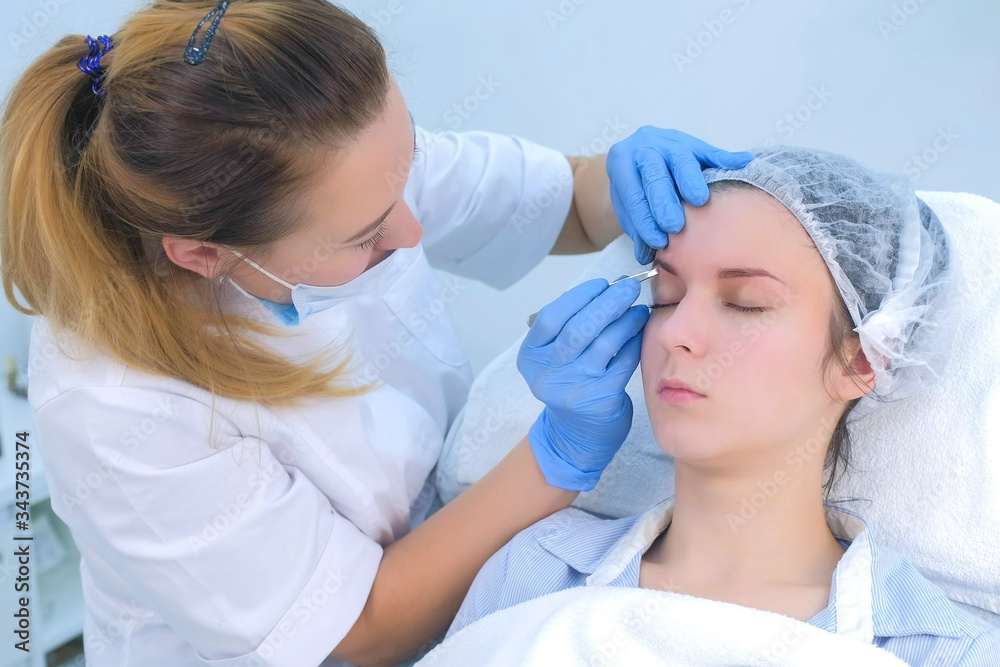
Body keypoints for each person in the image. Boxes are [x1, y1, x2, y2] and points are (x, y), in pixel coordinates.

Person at [0, 1, 752, 665]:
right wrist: (557, 458)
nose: (414, 227)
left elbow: (568, 206)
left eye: (407, 166)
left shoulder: (349, 163)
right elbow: (361, 629)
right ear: (202, 255)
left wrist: (620, 183)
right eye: (366, 236)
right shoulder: (118, 412)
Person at [448, 146, 1000, 665]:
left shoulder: (945, 651)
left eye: (745, 304)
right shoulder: (536, 572)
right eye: (666, 298)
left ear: (861, 360)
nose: (675, 333)